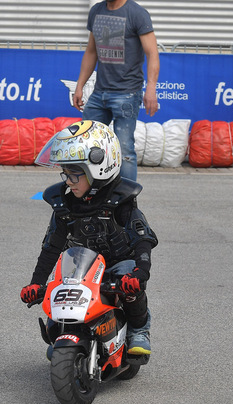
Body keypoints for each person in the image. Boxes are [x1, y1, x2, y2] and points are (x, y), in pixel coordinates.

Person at [20, 120, 158, 356]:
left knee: (129, 285)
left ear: (98, 168)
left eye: (74, 176)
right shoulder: (64, 205)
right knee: (60, 291)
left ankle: (139, 330)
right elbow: (51, 247)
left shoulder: (121, 200)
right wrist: (37, 282)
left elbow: (143, 239)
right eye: (65, 175)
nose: (68, 182)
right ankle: (62, 337)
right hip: (84, 264)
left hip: (119, 263)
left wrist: (139, 273)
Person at [72, 0, 160, 182]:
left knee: (125, 148)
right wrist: (80, 85)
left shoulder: (137, 14)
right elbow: (91, 52)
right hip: (99, 93)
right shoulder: (96, 11)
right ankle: (92, 193)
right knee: (88, 143)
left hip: (127, 94)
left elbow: (152, 53)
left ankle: (127, 199)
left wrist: (151, 88)